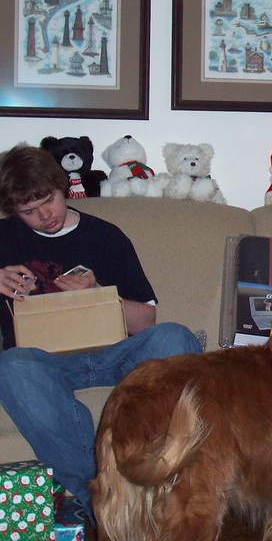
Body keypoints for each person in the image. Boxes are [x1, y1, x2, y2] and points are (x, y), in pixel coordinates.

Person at [0, 145, 204, 523]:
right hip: (44, 364)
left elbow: (146, 321)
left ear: (62, 188)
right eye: (30, 211)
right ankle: (97, 497)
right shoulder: (3, 239)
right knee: (12, 366)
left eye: (49, 201)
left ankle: (162, 482)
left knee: (175, 337)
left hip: (116, 355)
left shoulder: (105, 236)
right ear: (13, 210)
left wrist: (100, 295)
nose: (45, 215)